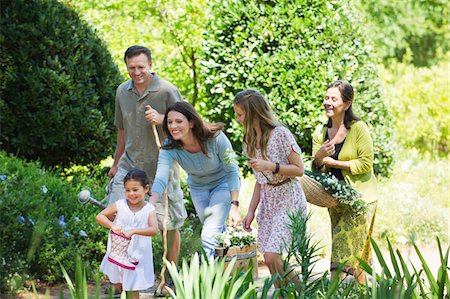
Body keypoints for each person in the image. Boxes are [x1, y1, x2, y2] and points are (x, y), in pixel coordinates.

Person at [107, 45, 187, 291]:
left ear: (150, 65)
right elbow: (122, 129)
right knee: (117, 215)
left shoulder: (166, 91)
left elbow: (188, 125)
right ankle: (122, 280)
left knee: (168, 223)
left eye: (141, 67)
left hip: (162, 167)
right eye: (131, 68)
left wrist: (163, 119)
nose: (136, 72)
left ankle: (169, 278)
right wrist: (115, 162)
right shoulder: (122, 91)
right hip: (129, 166)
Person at [233, 89, 307, 287]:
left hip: (288, 197)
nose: (238, 119)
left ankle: (302, 293)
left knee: (274, 256)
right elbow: (260, 180)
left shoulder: (280, 134)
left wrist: (271, 166)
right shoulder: (249, 141)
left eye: (240, 114)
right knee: (267, 258)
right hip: (268, 200)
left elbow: (299, 169)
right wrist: (250, 211)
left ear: (253, 113)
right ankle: (283, 294)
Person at [149, 101, 241, 258]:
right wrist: (150, 205)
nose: (173, 126)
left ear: (191, 122)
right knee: (214, 233)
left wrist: (234, 205)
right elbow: (161, 179)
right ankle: (226, 271)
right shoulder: (170, 146)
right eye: (170, 122)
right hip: (198, 189)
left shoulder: (216, 137)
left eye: (179, 121)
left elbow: (232, 170)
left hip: (222, 184)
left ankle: (208, 278)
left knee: (208, 234)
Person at [312, 80, 378, 284]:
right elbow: (317, 167)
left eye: (334, 98)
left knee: (342, 249)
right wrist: (318, 158)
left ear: (347, 104)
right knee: (355, 254)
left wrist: (332, 161)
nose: (328, 102)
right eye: (326, 98)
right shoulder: (319, 131)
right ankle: (365, 293)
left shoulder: (358, 128)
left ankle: (333, 291)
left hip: (361, 199)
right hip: (336, 201)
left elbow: (366, 163)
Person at [97, 169, 158, 299]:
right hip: (118, 251)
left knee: (132, 287)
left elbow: (154, 230)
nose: (131, 194)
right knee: (118, 283)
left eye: (135, 190)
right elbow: (100, 216)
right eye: (127, 190)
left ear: (146, 188)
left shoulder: (149, 210)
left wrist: (134, 231)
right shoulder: (120, 205)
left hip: (137, 254)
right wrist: (113, 225)